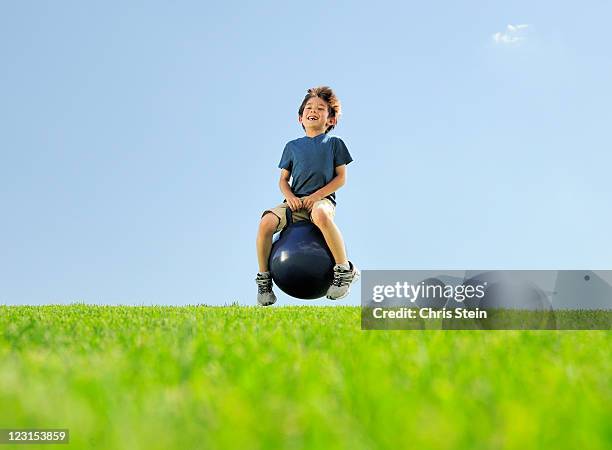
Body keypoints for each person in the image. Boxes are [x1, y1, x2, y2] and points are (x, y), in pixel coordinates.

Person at [255, 86, 359, 306]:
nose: (314, 110)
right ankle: (264, 281)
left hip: (321, 201)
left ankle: (344, 270)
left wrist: (317, 196)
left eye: (321, 109)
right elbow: (283, 180)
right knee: (265, 223)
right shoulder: (291, 147)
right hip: (294, 203)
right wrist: (290, 197)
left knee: (321, 215)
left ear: (330, 120)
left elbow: (341, 178)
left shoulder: (334, 144)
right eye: (309, 107)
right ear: (300, 117)